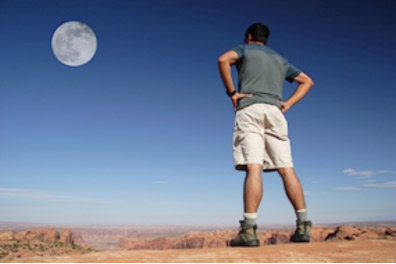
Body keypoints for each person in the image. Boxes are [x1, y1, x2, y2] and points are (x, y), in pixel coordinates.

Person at [218, 23, 314, 247]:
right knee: (286, 168)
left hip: (250, 108)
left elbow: (223, 60)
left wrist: (232, 93)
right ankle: (303, 226)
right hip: (275, 112)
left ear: (249, 37)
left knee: (254, 166)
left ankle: (249, 231)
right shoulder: (280, 59)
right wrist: (287, 103)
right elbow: (307, 81)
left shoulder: (244, 49)